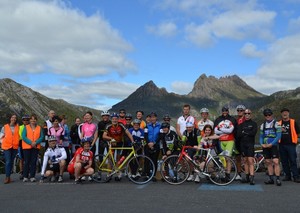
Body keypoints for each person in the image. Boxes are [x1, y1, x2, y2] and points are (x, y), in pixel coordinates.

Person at [102, 112, 134, 181]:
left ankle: (118, 173)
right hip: (112, 144)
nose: (114, 120)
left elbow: (128, 133)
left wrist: (132, 141)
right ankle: (109, 174)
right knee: (110, 159)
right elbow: (104, 136)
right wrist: (111, 139)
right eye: (113, 119)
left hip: (120, 143)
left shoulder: (121, 125)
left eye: (116, 119)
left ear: (118, 119)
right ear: (111, 119)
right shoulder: (108, 126)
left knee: (118, 158)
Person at [214, 106, 237, 181]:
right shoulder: (218, 119)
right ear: (222, 111)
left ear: (228, 111)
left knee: (228, 158)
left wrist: (221, 129)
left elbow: (231, 131)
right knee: (223, 159)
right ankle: (224, 174)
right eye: (223, 111)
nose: (225, 112)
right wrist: (225, 130)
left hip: (229, 141)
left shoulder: (232, 119)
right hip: (220, 141)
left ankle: (228, 175)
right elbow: (215, 131)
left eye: (226, 111)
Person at [259, 108, 282, 186]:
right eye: (266, 115)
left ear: (272, 115)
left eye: (269, 114)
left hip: (274, 145)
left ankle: (278, 179)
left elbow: (278, 136)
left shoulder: (277, 124)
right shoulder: (263, 125)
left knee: (275, 161)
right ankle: (271, 178)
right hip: (265, 146)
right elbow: (261, 136)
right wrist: (261, 143)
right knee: (268, 162)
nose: (267, 116)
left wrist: (272, 144)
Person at [278, 108, 300, 183]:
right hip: (281, 144)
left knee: (293, 160)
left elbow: (298, 132)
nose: (285, 114)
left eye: (286, 112)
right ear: (281, 114)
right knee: (284, 161)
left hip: (291, 144)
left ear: (288, 113)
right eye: (283, 112)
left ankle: (296, 176)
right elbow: (275, 133)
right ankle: (287, 176)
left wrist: (296, 139)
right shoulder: (279, 123)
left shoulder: (293, 122)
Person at [236, 109, 257, 185]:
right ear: (244, 115)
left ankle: (252, 177)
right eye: (245, 113)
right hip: (243, 145)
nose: (247, 115)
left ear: (251, 114)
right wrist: (247, 132)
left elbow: (253, 133)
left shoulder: (254, 124)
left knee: (250, 161)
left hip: (250, 144)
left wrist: (244, 132)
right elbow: (238, 135)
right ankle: (247, 177)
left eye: (249, 113)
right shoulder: (241, 124)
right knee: (245, 161)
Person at [22, 114, 44, 182]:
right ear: (30, 120)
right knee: (26, 162)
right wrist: (31, 142)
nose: (33, 121)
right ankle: (25, 176)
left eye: (34, 119)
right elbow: (24, 136)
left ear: (36, 120)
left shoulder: (39, 128)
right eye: (31, 119)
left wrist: (36, 142)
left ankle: (32, 176)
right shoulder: (26, 127)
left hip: (35, 147)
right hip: (26, 147)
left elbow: (42, 137)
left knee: (33, 162)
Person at [0, 114, 20, 184]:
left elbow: (19, 136)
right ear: (10, 118)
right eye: (12, 117)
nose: (14, 119)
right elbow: (1, 137)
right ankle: (7, 177)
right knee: (8, 161)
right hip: (6, 147)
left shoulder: (18, 127)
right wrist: (3, 143)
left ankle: (9, 177)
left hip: (14, 147)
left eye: (15, 118)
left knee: (11, 162)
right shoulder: (4, 127)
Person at [144, 112, 161, 182]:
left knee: (154, 160)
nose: (153, 118)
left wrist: (154, 143)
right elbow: (145, 135)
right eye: (151, 117)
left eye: (154, 117)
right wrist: (149, 143)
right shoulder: (147, 126)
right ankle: (147, 175)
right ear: (150, 118)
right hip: (147, 145)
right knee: (147, 160)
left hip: (156, 145)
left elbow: (160, 136)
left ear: (156, 118)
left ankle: (153, 175)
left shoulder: (160, 126)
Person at [234, 104, 247, 181]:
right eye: (238, 110)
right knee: (238, 158)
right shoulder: (235, 120)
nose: (239, 112)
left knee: (245, 159)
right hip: (237, 141)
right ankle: (239, 174)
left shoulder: (246, 119)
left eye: (241, 110)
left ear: (244, 111)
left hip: (245, 141)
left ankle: (247, 174)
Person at [18, 114, 30, 180]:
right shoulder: (20, 127)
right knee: (21, 159)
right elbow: (21, 136)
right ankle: (22, 172)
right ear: (22, 121)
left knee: (27, 159)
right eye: (24, 120)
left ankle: (27, 172)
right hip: (21, 144)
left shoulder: (30, 127)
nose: (25, 121)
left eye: (27, 120)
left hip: (29, 145)